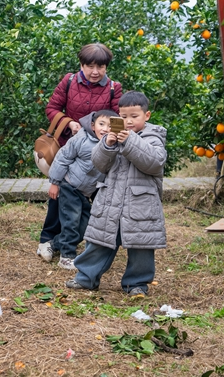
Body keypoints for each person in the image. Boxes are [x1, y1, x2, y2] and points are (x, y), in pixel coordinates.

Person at [65, 91, 167, 297]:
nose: (128, 122)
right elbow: (99, 164)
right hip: (110, 201)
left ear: (146, 116)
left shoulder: (153, 137)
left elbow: (154, 162)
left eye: (134, 117)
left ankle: (136, 284)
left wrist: (129, 141)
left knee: (141, 247)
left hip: (140, 205)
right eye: (123, 117)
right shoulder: (113, 137)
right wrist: (107, 145)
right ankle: (86, 278)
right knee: (99, 242)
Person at [38, 43, 121, 262]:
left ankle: (80, 243)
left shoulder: (114, 88)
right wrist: (70, 124)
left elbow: (118, 119)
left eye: (100, 67)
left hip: (99, 153)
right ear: (81, 65)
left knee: (90, 204)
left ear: (106, 67)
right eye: (90, 66)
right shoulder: (69, 81)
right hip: (69, 147)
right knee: (60, 198)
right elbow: (51, 109)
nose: (95, 72)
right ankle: (47, 240)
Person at [46, 110, 115, 269]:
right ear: (93, 125)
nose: (105, 129)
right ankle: (66, 256)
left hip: (86, 192)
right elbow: (62, 158)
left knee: (85, 226)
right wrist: (55, 182)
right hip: (69, 186)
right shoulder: (82, 138)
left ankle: (53, 244)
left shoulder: (112, 145)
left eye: (110, 126)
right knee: (71, 221)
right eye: (101, 124)